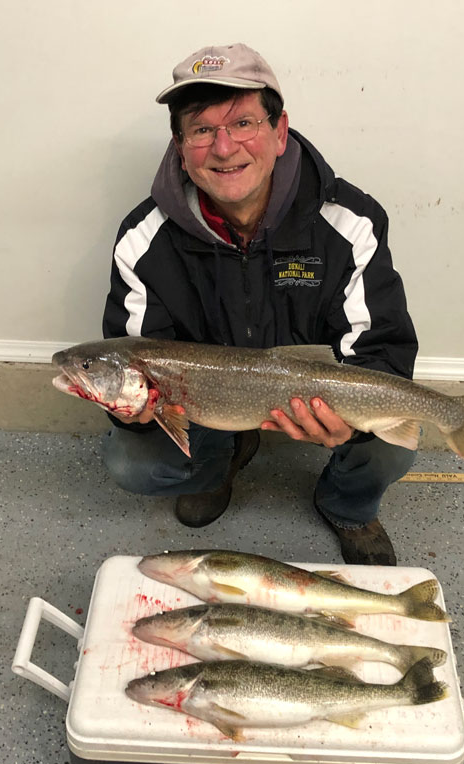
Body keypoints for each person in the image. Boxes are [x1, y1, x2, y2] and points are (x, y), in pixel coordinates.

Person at [101, 43, 418, 566]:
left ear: (280, 131)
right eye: (202, 130)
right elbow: (135, 351)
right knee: (129, 460)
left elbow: (381, 346)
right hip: (205, 402)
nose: (224, 148)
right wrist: (131, 410)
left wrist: (351, 422)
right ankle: (216, 464)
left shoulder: (350, 222)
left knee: (392, 439)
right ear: (180, 146)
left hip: (315, 393)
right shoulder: (141, 239)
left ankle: (347, 506)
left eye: (243, 122)